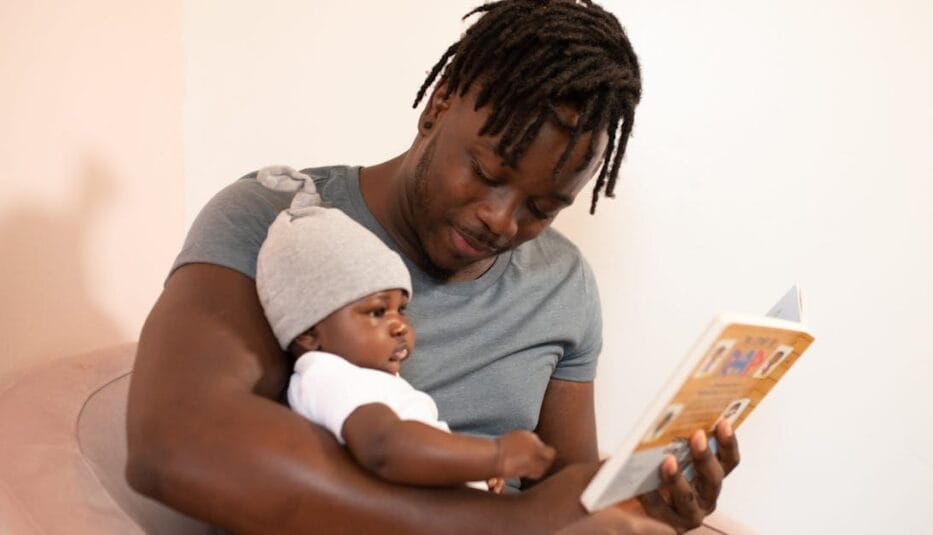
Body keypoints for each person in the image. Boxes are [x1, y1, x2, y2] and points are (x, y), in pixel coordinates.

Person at [125, 1, 741, 532]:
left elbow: (562, 484)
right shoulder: (280, 222)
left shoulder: (563, 282)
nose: (502, 221)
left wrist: (646, 502)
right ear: (439, 106)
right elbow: (175, 443)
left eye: (543, 207)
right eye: (487, 172)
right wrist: (507, 527)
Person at [255, 165, 554, 492]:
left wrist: (469, 476)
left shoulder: (366, 379)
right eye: (378, 311)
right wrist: (492, 455)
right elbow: (384, 448)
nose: (399, 325)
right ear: (309, 332)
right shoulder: (327, 377)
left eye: (402, 309)